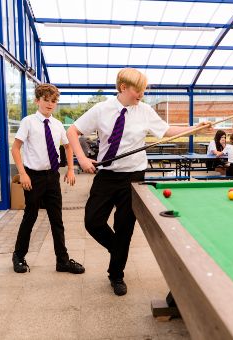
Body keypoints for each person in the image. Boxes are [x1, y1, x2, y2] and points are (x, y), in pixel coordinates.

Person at [67, 68, 208, 296]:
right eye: (138, 90)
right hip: (107, 175)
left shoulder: (144, 111)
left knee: (125, 228)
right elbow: (73, 131)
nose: (141, 94)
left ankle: (116, 275)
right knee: (93, 221)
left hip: (134, 176)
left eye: (143, 89)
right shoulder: (102, 109)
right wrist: (82, 159)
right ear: (123, 88)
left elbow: (167, 130)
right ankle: (118, 251)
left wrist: (196, 129)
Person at [11, 83, 84, 275]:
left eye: (54, 101)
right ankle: (18, 256)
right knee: (31, 216)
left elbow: (68, 147)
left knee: (56, 219)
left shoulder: (58, 124)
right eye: (46, 100)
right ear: (37, 101)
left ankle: (63, 261)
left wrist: (70, 169)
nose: (50, 104)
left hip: (52, 177)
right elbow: (15, 148)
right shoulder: (28, 122)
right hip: (33, 176)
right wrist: (23, 174)